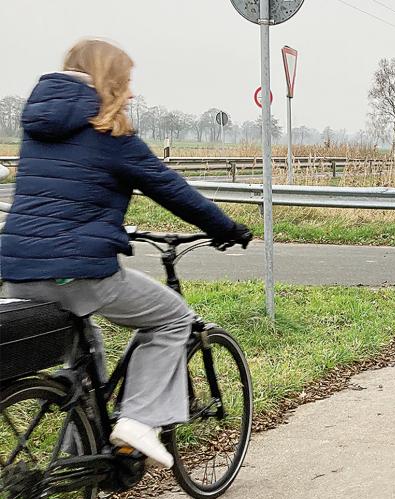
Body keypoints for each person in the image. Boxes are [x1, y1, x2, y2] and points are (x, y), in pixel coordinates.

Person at [0, 39, 252, 467]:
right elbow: (173, 190)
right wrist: (226, 228)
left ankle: (76, 457)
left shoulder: (38, 128)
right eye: (126, 82)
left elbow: (62, 194)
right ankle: (139, 420)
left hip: (18, 268)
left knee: (87, 350)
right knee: (173, 318)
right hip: (79, 271)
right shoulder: (109, 131)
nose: (131, 93)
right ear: (108, 80)